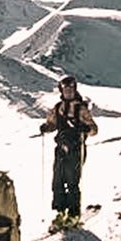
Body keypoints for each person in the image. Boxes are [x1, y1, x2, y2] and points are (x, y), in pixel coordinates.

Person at [40, 76, 98, 230]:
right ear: (62, 91)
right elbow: (52, 124)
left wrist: (86, 129)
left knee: (72, 182)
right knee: (58, 181)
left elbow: (94, 129)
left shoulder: (81, 108)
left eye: (71, 90)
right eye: (66, 90)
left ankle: (73, 214)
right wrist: (46, 128)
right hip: (60, 148)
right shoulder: (57, 107)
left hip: (76, 149)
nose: (68, 93)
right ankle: (60, 212)